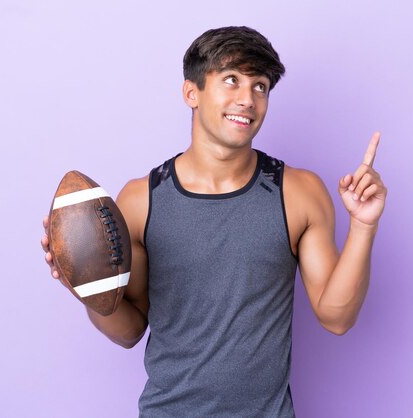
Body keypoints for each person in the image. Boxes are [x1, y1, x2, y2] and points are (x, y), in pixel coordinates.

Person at [41, 26, 387, 417]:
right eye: (231, 80)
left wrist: (363, 225)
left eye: (260, 86)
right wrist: (87, 286)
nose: (248, 99)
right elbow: (129, 332)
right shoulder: (141, 200)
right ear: (192, 92)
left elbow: (337, 318)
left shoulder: (300, 192)